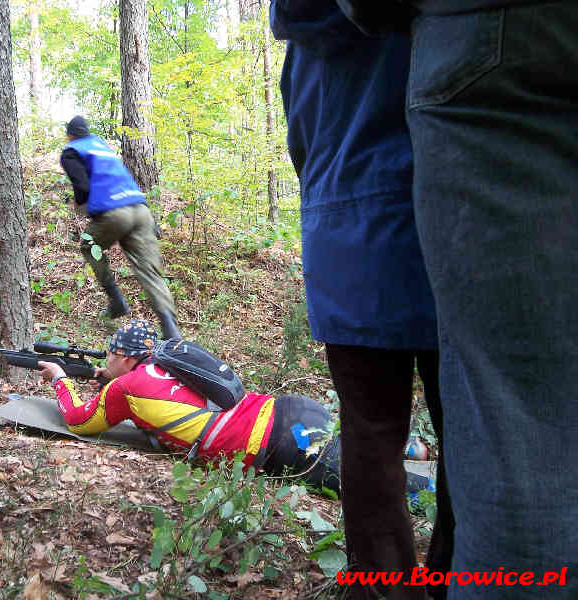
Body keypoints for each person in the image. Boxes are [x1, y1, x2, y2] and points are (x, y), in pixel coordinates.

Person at [334, 2, 578, 598]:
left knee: (476, 430)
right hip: (377, 224)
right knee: (457, 426)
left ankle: (412, 586)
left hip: (371, 227)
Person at [270, 2, 454, 599]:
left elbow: (302, 146)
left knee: (370, 429)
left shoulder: (303, 42)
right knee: (469, 429)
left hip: (346, 237)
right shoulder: (437, 17)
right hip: (448, 226)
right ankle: (460, 578)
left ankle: (381, 589)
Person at [37, 320, 434, 496]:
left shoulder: (124, 387)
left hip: (281, 444)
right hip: (288, 413)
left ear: (125, 358)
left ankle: (435, 488)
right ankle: (412, 449)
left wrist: (60, 377)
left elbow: (79, 420)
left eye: (109, 357)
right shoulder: (163, 363)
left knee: (376, 485)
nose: (105, 363)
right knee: (357, 447)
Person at [59, 116, 180, 340]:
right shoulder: (101, 146)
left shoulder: (71, 151)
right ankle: (171, 329)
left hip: (116, 213)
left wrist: (79, 203)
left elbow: (82, 187)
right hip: (141, 211)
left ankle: (116, 301)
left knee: (89, 245)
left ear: (70, 134)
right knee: (150, 271)